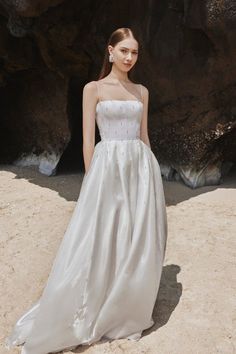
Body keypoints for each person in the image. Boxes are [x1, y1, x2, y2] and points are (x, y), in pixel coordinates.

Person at [5, 27, 168, 354]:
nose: (129, 57)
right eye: (124, 50)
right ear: (110, 51)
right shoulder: (93, 89)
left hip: (140, 167)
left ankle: (124, 303)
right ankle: (90, 303)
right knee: (101, 234)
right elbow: (87, 141)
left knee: (135, 236)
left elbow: (145, 136)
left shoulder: (142, 91)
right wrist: (93, 180)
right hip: (108, 167)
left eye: (134, 52)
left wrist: (154, 176)